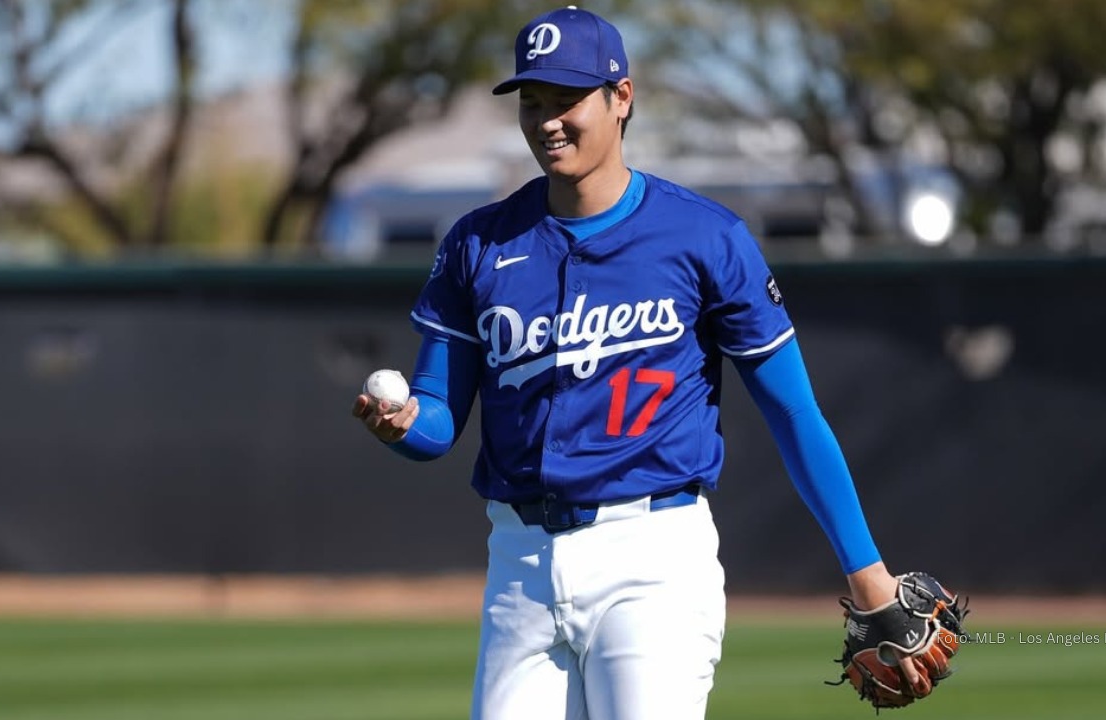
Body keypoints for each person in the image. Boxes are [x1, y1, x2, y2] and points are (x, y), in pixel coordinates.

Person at [352, 6, 925, 719]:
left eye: (567, 101)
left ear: (622, 98)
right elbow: (439, 416)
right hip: (519, 566)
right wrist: (404, 424)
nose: (547, 121)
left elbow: (793, 412)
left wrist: (865, 568)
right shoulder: (479, 243)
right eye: (533, 103)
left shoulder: (704, 238)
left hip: (652, 560)